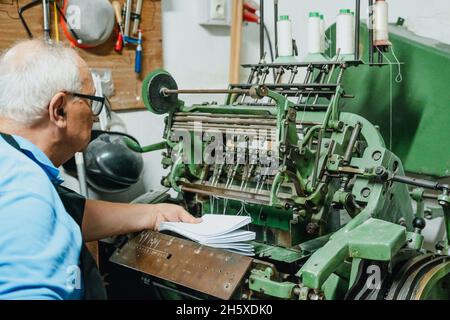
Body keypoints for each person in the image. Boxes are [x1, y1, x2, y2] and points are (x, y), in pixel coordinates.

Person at [0, 40, 200, 300]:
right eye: (91, 102)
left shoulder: (13, 163)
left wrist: (154, 213)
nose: (95, 117)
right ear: (59, 110)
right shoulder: (27, 197)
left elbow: (68, 212)